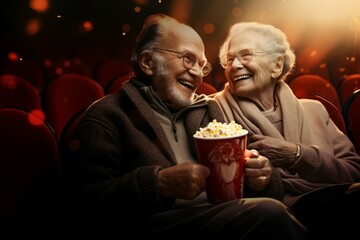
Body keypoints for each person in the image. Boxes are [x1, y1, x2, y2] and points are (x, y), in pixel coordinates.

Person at [61, 14, 307, 239]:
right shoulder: (108, 115)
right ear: (148, 62)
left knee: (274, 210)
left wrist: (264, 178)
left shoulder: (210, 111)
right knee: (270, 214)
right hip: (158, 228)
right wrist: (157, 184)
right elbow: (82, 204)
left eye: (202, 65)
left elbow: (270, 190)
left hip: (222, 216)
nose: (198, 73)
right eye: (188, 59)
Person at [214, 21, 360, 239]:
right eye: (230, 59)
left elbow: (354, 171)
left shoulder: (315, 110)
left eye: (245, 55)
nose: (234, 66)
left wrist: (297, 154)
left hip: (337, 199)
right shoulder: (216, 112)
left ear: (276, 65)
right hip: (278, 216)